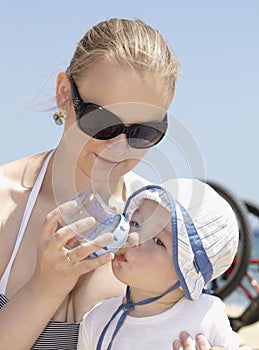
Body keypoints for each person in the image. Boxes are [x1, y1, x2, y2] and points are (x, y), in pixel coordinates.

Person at [0, 17, 245, 350]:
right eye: (101, 121)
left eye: (143, 132)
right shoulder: (4, 203)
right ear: (63, 94)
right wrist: (45, 288)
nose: (119, 147)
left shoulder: (162, 229)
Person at [77, 179, 243, 350]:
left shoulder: (205, 317)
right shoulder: (97, 320)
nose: (133, 237)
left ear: (186, 276)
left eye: (158, 241)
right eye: (136, 224)